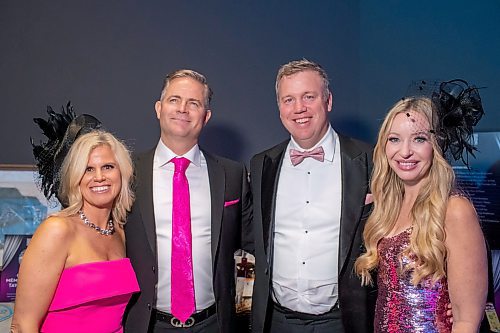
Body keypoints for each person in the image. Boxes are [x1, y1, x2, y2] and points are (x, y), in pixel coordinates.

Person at [250, 59, 376, 333]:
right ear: (279, 107)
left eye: (309, 97)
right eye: (289, 99)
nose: (299, 109)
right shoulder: (262, 164)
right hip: (276, 321)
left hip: (343, 321)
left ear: (328, 101)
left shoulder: (369, 160)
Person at [123, 69, 252, 333]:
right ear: (158, 108)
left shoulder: (232, 174)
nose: (183, 109)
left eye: (194, 103)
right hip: (149, 325)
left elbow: (258, 239)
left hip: (214, 324)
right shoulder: (126, 173)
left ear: (206, 116)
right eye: (174, 100)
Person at [355, 93, 488, 332]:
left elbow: (466, 321)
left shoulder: (455, 209)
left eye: (418, 139)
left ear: (436, 145)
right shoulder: (388, 206)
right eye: (394, 139)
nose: (404, 152)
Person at [11, 123, 138, 332]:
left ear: (122, 173)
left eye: (108, 167)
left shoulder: (121, 232)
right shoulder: (57, 230)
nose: (99, 177)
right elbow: (23, 324)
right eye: (88, 169)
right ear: (75, 178)